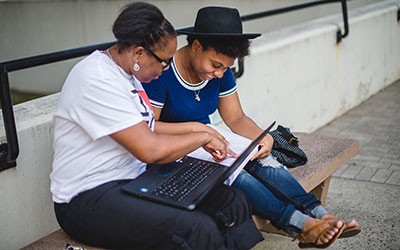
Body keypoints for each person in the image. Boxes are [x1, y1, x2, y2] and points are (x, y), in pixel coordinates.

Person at [50, 3, 264, 249]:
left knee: (232, 201)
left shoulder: (129, 75)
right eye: (164, 62)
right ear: (139, 53)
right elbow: (149, 149)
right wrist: (201, 138)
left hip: (134, 180)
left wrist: (202, 130)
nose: (165, 70)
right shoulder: (96, 78)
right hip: (86, 198)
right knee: (197, 228)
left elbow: (149, 127)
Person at [144, 6, 360, 248]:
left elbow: (235, 118)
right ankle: (301, 225)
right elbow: (149, 127)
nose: (219, 73)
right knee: (239, 176)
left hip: (209, 140)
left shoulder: (220, 70)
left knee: (265, 161)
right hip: (175, 152)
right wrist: (198, 130)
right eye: (215, 65)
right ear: (196, 47)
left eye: (225, 67)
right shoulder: (162, 72)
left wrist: (263, 137)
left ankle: (321, 214)